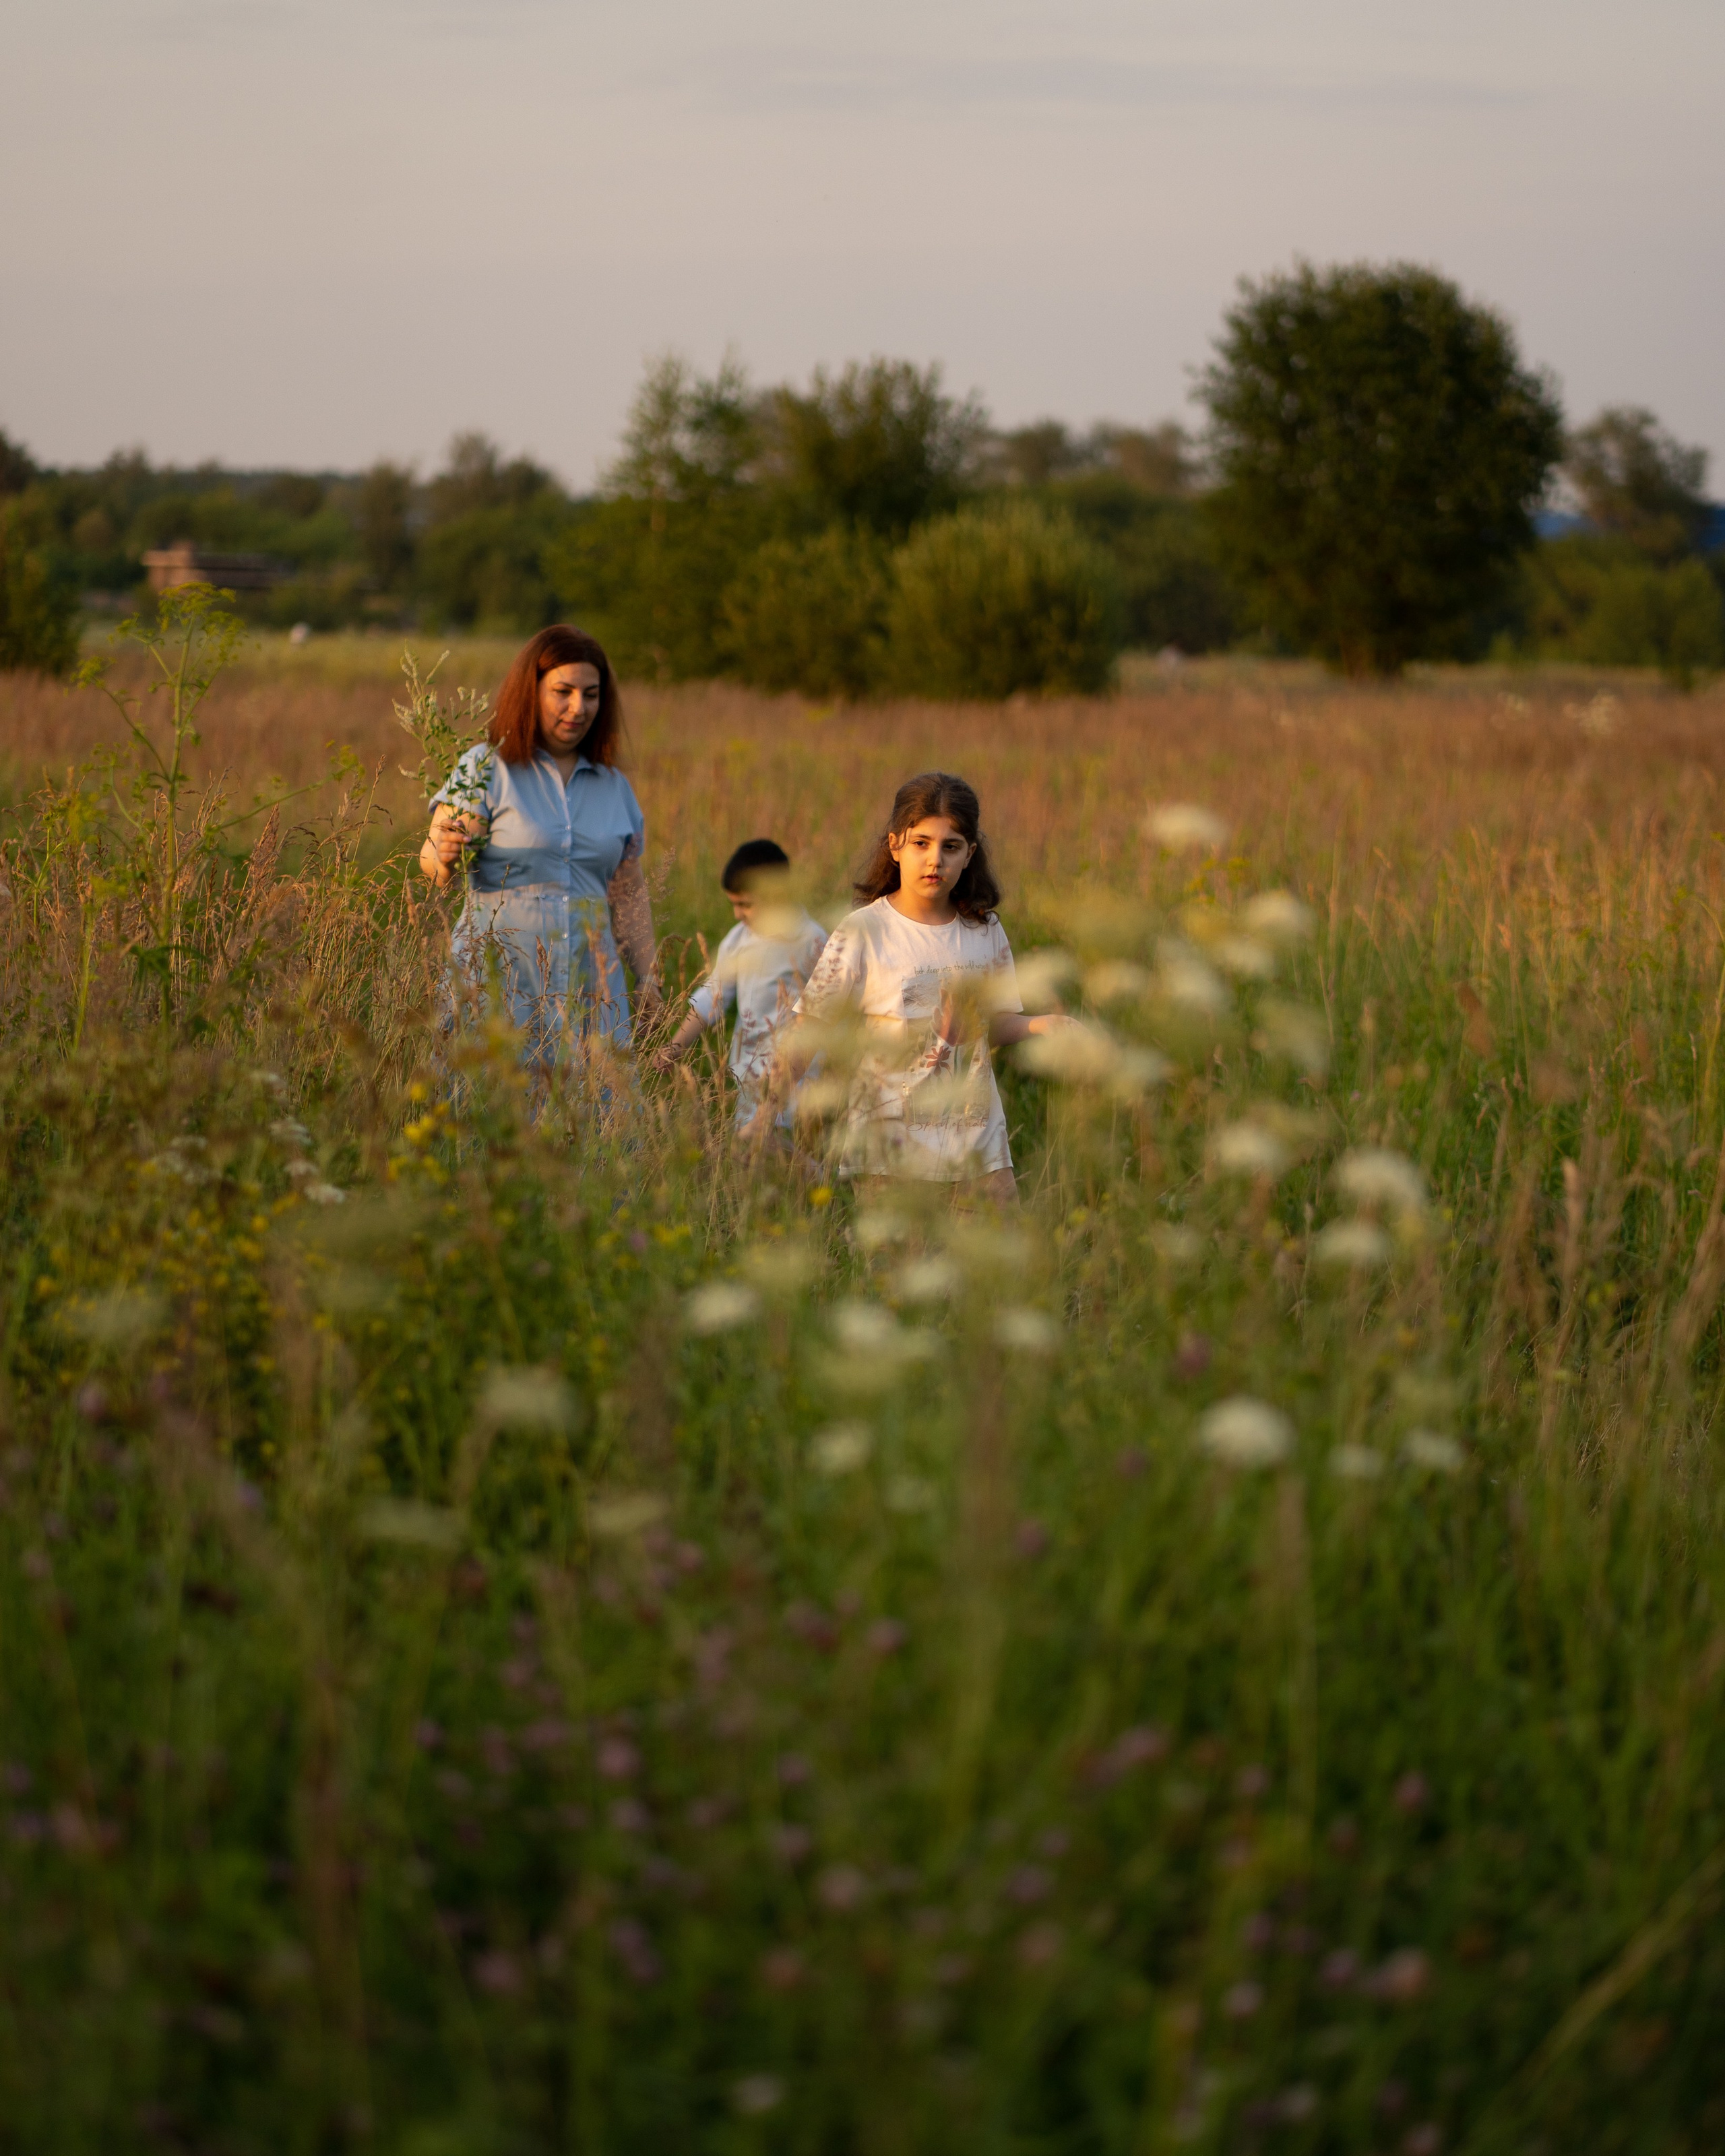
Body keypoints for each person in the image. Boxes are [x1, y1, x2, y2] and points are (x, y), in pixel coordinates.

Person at [751, 771, 1069, 1202]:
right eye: (921, 843)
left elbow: (991, 1026)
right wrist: (764, 1115)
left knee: (995, 1265)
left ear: (970, 854)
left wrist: (1043, 1026)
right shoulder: (863, 931)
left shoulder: (985, 930)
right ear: (895, 845)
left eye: (951, 846)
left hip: (979, 1150)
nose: (935, 859)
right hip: (890, 1152)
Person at [419, 626, 660, 1069]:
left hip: (593, 987)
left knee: (594, 1123)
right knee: (493, 1116)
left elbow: (628, 892)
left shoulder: (614, 787)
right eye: (562, 691)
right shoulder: (487, 766)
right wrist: (446, 852)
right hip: (500, 979)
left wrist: (648, 978)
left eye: (591, 694)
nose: (578, 708)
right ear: (531, 692)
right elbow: (433, 860)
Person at [653, 839, 827, 1131]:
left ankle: (816, 1171)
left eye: (745, 904)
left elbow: (824, 1015)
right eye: (733, 904)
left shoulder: (811, 940)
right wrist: (676, 1046)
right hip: (748, 1074)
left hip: (795, 1081)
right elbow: (713, 997)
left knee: (779, 1156)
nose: (737, 914)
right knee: (750, 1155)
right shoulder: (739, 940)